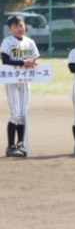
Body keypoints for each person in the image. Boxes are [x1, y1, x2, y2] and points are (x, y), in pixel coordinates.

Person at [1, 15, 40, 157]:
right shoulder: (7, 41)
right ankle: (10, 146)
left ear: (25, 26)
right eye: (15, 26)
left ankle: (20, 144)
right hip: (12, 81)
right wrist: (24, 62)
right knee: (15, 113)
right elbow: (5, 60)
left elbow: (35, 57)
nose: (19, 28)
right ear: (10, 29)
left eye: (21, 25)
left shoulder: (30, 42)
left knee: (23, 114)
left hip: (25, 81)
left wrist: (32, 62)